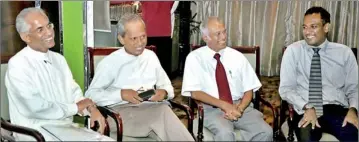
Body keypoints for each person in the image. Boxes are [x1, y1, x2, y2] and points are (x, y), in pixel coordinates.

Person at [85, 13, 194, 141]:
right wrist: (121, 94)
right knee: (163, 114)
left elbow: (167, 87)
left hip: (150, 109)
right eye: (134, 38)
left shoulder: (150, 57)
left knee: (164, 118)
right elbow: (91, 94)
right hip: (121, 114)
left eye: (143, 37)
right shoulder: (110, 62)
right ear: (121, 39)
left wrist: (163, 93)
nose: (140, 43)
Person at [5, 7, 109, 141]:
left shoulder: (58, 59)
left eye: (49, 26)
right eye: (40, 29)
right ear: (26, 37)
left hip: (65, 128)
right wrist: (75, 107)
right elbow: (35, 108)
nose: (49, 32)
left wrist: (90, 108)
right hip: (36, 132)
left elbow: (74, 93)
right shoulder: (18, 64)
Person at [181, 16, 273, 141]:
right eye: (218, 34)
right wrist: (224, 105)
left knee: (265, 131)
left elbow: (249, 89)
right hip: (212, 109)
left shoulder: (237, 57)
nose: (223, 37)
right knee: (225, 134)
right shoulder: (194, 58)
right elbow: (195, 93)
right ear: (205, 38)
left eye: (224, 31)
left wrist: (239, 108)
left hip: (241, 107)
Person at [279, 6, 358, 141]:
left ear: (326, 27)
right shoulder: (293, 51)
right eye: (304, 27)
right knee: (307, 138)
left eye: (313, 26)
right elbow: (286, 89)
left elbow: (354, 87)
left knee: (352, 135)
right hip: (305, 109)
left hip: (336, 109)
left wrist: (353, 110)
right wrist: (307, 107)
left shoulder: (344, 53)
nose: (307, 32)